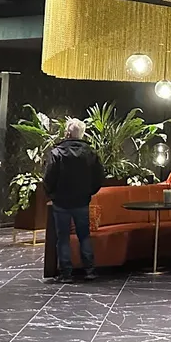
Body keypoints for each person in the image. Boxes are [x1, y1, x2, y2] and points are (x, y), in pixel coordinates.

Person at [43, 119, 105, 283]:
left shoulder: (56, 153)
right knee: (84, 236)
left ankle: (66, 274)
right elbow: (99, 177)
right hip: (82, 201)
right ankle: (89, 270)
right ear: (81, 134)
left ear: (68, 133)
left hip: (61, 202)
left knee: (63, 238)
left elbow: (48, 178)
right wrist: (89, 192)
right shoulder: (90, 153)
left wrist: (52, 194)